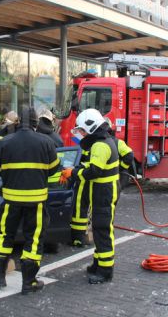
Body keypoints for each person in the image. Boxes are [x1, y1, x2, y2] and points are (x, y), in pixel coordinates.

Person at [0, 107, 59, 295]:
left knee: (4, 237)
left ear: (18, 121)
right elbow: (54, 170)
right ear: (36, 122)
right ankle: (29, 283)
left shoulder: (5, 142)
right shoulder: (46, 142)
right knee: (34, 240)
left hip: (10, 200)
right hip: (36, 202)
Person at [61, 108, 119, 284]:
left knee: (102, 230)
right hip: (103, 192)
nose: (80, 134)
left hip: (104, 193)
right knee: (99, 228)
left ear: (91, 128)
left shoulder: (100, 145)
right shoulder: (103, 142)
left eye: (81, 131)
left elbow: (94, 171)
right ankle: (98, 263)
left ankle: (105, 271)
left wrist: (72, 173)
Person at [105, 117, 134, 193]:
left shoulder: (95, 143)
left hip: (115, 177)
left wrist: (120, 167)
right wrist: (120, 167)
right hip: (117, 178)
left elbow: (129, 156)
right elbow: (129, 156)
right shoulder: (118, 142)